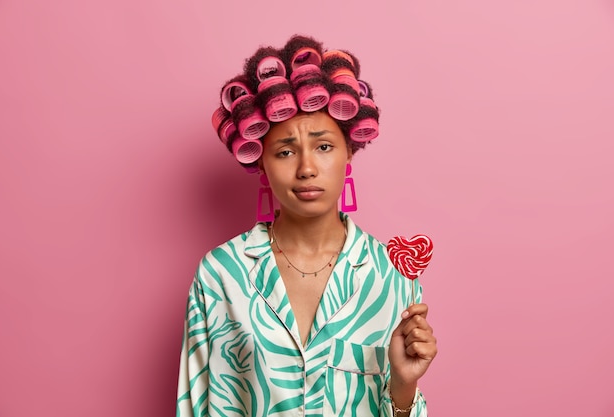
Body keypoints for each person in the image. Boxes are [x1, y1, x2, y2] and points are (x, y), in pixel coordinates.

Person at [176, 34, 437, 416]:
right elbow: (195, 406)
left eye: (324, 146)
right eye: (285, 151)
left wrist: (403, 385)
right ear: (260, 160)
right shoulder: (220, 275)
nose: (306, 168)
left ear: (349, 150)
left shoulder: (392, 275)